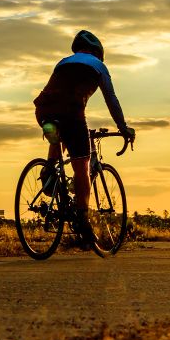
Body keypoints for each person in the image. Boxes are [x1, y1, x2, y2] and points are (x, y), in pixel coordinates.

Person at [33, 30, 135, 241]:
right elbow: (111, 100)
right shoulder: (98, 66)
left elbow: (57, 91)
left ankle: (49, 169)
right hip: (71, 112)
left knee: (59, 134)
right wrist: (123, 127)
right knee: (83, 167)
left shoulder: (63, 62)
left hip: (43, 109)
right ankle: (83, 220)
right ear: (98, 52)